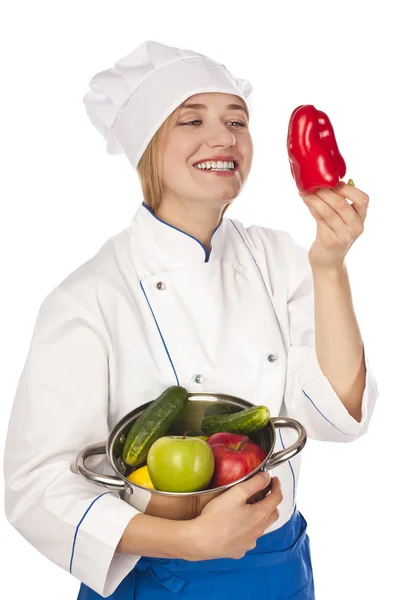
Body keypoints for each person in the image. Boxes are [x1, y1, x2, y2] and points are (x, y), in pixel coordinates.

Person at [3, 40, 379, 600]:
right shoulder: (90, 296)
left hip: (279, 569)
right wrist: (189, 541)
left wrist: (329, 266)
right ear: (148, 146)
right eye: (192, 119)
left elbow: (338, 416)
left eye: (238, 121)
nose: (225, 137)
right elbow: (36, 487)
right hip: (157, 576)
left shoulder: (280, 259)